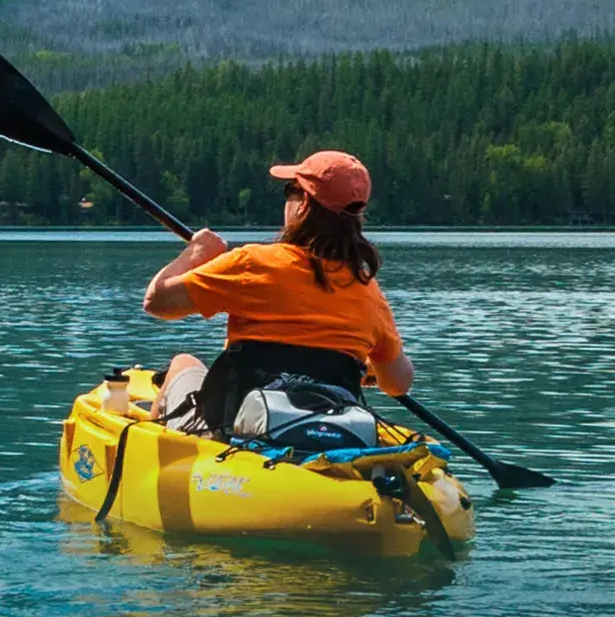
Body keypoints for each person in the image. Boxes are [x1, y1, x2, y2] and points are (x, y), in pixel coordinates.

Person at [143, 150, 414, 435]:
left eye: (290, 191)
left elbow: (158, 301)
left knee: (182, 363)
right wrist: (363, 365)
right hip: (321, 428)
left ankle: (154, 455)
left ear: (305, 204)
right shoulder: (367, 291)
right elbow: (398, 383)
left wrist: (195, 253)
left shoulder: (251, 263)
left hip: (232, 431)